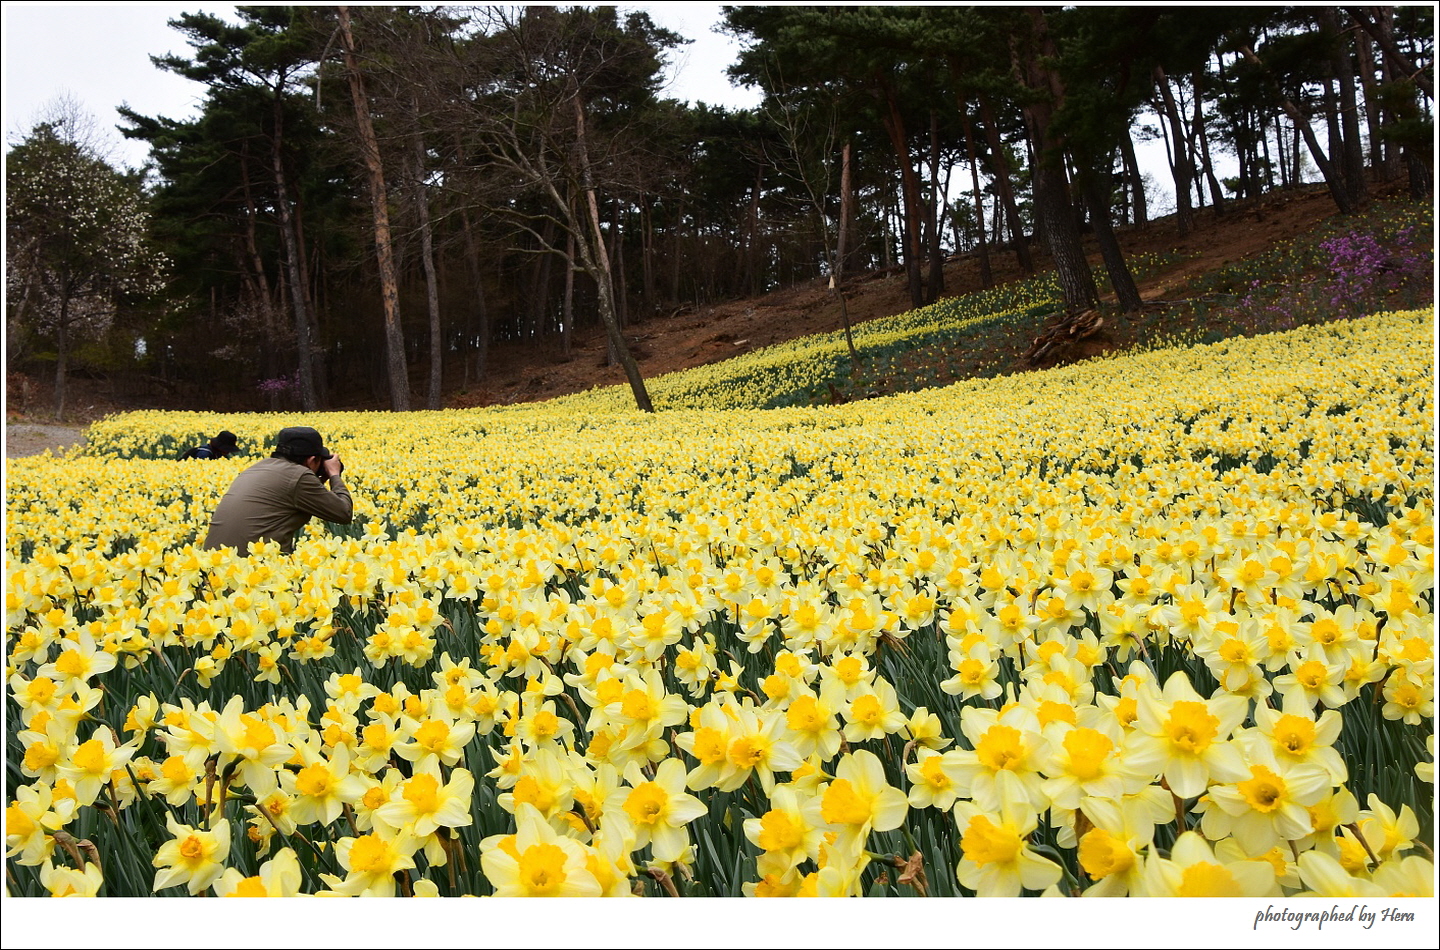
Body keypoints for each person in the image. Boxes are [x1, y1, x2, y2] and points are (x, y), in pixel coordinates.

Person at [201, 426, 352, 555]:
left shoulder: (256, 468)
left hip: (216, 565)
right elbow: (343, 513)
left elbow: (289, 496)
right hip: (254, 567)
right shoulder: (300, 476)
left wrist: (319, 480)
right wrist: (334, 475)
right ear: (312, 460)